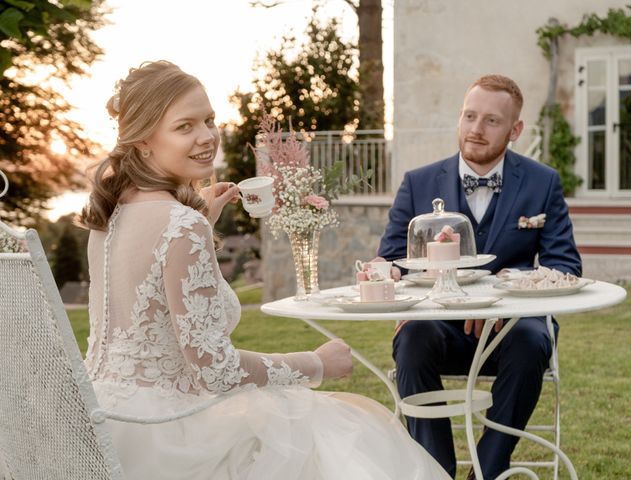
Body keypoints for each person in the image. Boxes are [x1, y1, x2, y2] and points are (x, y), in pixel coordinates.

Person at [80, 60, 449, 480]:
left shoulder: (109, 220)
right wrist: (316, 363)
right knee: (353, 430)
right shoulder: (182, 225)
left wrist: (202, 218)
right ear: (144, 141)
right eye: (185, 127)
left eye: (209, 120)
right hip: (170, 436)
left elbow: (148, 297)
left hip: (108, 421)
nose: (207, 137)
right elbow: (216, 369)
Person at [377, 74, 582, 479]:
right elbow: (392, 262)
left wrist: (501, 300)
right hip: (441, 326)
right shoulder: (418, 183)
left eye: (491, 120)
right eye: (469, 116)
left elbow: (564, 267)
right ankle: (434, 470)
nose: (475, 129)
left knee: (532, 338)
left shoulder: (543, 183)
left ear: (515, 129)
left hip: (512, 332)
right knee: (412, 339)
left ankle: (487, 470)